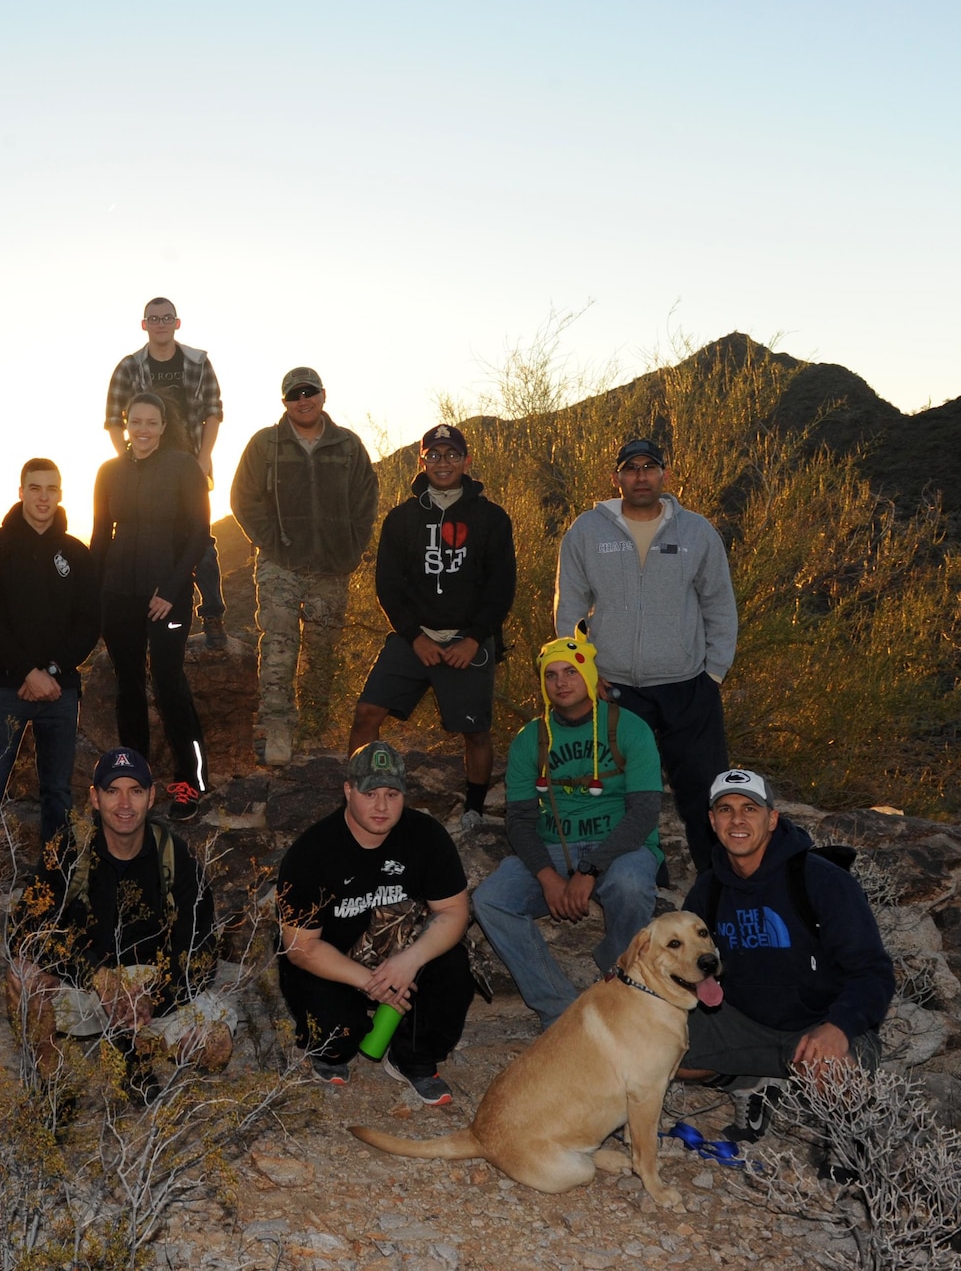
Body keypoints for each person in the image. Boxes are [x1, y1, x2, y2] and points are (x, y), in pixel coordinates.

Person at [676, 769, 895, 1141]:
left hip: (817, 1024)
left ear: (772, 818)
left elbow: (874, 972)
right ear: (712, 821)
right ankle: (752, 1083)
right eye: (725, 810)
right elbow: (687, 965)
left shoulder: (822, 880)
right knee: (656, 1050)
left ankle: (846, 1140)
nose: (738, 820)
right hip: (743, 1023)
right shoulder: (707, 891)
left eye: (750, 808)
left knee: (833, 1068)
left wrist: (839, 1026)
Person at [554, 438, 737, 871]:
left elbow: (719, 604)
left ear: (664, 475)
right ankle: (636, 881)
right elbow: (569, 609)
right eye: (630, 468)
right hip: (613, 687)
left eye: (649, 467)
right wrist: (583, 676)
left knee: (704, 794)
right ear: (615, 477)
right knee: (619, 792)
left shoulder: (695, 531)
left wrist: (713, 674)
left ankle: (718, 887)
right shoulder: (587, 530)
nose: (640, 476)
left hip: (687, 685)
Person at [472, 629, 664, 1027]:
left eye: (570, 672)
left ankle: (620, 979)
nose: (560, 682)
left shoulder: (630, 728)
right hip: (555, 849)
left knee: (631, 885)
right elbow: (521, 819)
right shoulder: (531, 739)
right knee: (491, 898)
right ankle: (558, 1009)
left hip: (619, 847)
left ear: (590, 676)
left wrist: (589, 870)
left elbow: (644, 811)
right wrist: (547, 877)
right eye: (551, 675)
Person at [9, 747, 233, 1076]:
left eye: (136, 791)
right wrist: (97, 975)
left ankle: (136, 1048)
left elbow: (200, 950)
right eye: (112, 791)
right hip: (87, 989)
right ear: (95, 798)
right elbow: (26, 931)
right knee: (20, 973)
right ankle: (53, 1081)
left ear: (152, 796)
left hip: (152, 988)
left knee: (215, 1047)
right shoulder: (70, 850)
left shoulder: (173, 855)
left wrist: (156, 998)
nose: (124, 805)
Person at [276, 740, 474, 1106]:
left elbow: (454, 911)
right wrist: (370, 982)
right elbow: (300, 946)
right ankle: (330, 1048)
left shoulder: (426, 836)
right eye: (370, 793)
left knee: (454, 964)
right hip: (331, 960)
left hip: (400, 958)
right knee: (338, 1040)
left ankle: (412, 1057)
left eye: (392, 794)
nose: (382, 806)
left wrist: (409, 962)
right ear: (349, 791)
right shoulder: (312, 850)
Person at [0, 458, 102, 908]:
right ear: (20, 491)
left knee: (57, 793)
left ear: (60, 494)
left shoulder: (76, 553)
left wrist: (51, 673)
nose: (42, 497)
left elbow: (88, 624)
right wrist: (27, 673)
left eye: (51, 489)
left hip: (60, 692)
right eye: (34, 488)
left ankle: (55, 890)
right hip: (6, 689)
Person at [349, 425, 516, 834]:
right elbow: (388, 585)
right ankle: (357, 791)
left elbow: (501, 587)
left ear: (466, 461)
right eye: (435, 455)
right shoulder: (402, 518)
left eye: (452, 454)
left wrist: (474, 637)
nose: (444, 463)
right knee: (368, 711)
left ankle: (474, 807)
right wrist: (414, 636)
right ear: (421, 461)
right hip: (415, 637)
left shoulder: (490, 518)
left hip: (468, 640)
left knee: (475, 731)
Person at [230, 366, 380, 766]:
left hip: (332, 566)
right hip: (281, 565)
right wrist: (273, 543)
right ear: (285, 402)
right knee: (279, 645)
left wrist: (351, 549)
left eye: (309, 391)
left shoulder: (348, 446)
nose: (303, 399)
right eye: (295, 394)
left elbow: (366, 500)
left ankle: (314, 729)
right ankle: (278, 727)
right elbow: (243, 500)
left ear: (323, 394)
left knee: (323, 650)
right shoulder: (265, 444)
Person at [91, 392, 212, 822]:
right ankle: (133, 781)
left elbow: (199, 534)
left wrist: (171, 589)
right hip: (118, 594)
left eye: (151, 422)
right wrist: (94, 591)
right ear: (126, 424)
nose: (143, 429)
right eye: (135, 421)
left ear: (163, 426)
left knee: (168, 683)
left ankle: (190, 781)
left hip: (169, 596)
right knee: (127, 686)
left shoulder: (183, 467)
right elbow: (101, 535)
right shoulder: (109, 472)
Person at [104, 298, 228, 647]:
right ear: (144, 325)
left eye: (167, 318)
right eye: (154, 318)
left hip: (189, 460)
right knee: (148, 536)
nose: (161, 323)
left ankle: (213, 615)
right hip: (145, 464)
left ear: (177, 323)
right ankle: (146, 612)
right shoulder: (129, 367)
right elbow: (114, 420)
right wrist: (128, 463)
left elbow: (213, 412)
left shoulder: (198, 362)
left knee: (200, 537)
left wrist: (203, 459)